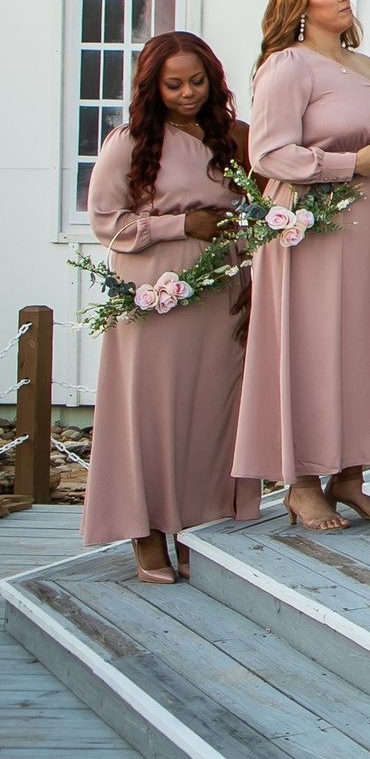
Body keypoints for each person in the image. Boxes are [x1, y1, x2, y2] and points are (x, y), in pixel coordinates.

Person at [233, 0, 370, 531]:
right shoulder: (287, 65)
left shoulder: (364, 65)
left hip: (362, 227)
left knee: (360, 341)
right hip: (306, 227)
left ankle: (350, 475)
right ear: (299, 6)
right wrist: (352, 162)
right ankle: (302, 483)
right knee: (308, 345)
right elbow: (268, 154)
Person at [80, 32, 261, 579]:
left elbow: (259, 213)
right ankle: (147, 531)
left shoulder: (234, 137)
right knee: (151, 412)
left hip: (220, 291)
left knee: (212, 410)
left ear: (214, 80)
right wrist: (182, 223)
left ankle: (200, 526)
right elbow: (106, 220)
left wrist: (251, 275)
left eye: (197, 82)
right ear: (152, 87)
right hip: (154, 292)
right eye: (174, 84)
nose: (187, 93)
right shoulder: (131, 141)